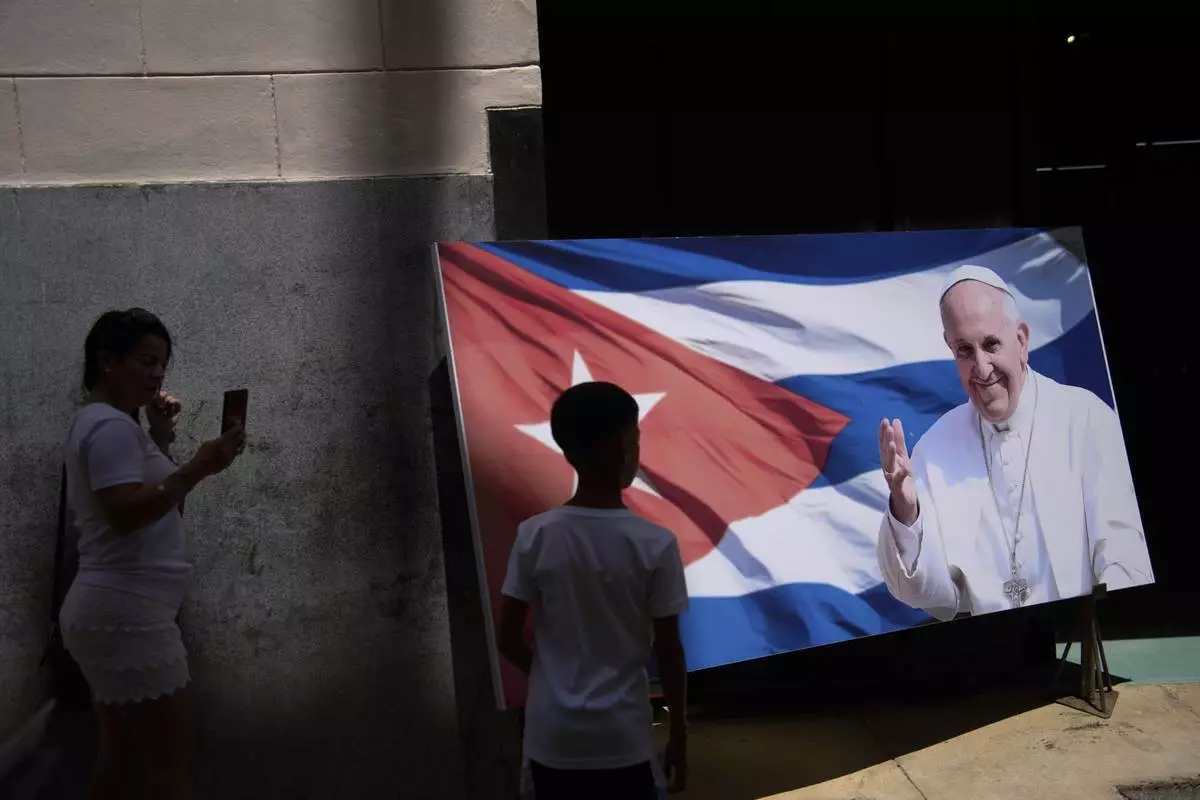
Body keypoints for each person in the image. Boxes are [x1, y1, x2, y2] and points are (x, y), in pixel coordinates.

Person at [876, 265, 1153, 620]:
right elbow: (926, 595)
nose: (981, 367)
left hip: (1083, 641)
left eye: (991, 345)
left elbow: (1123, 557)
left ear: (1021, 340)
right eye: (964, 351)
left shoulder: (1086, 420)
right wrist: (905, 510)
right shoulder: (934, 449)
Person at [59, 308, 244, 800]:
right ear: (107, 362)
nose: (158, 374)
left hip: (119, 610)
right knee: (169, 771)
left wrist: (161, 439)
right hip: (129, 615)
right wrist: (199, 467)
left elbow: (153, 507)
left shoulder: (111, 424)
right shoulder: (110, 428)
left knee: (119, 764)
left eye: (162, 363)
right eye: (145, 361)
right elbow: (125, 514)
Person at [497, 381, 690, 800]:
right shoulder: (656, 544)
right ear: (622, 445)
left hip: (552, 738)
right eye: (636, 438)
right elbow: (671, 653)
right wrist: (679, 735)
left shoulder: (534, 536)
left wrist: (552, 680)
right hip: (624, 740)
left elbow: (507, 636)